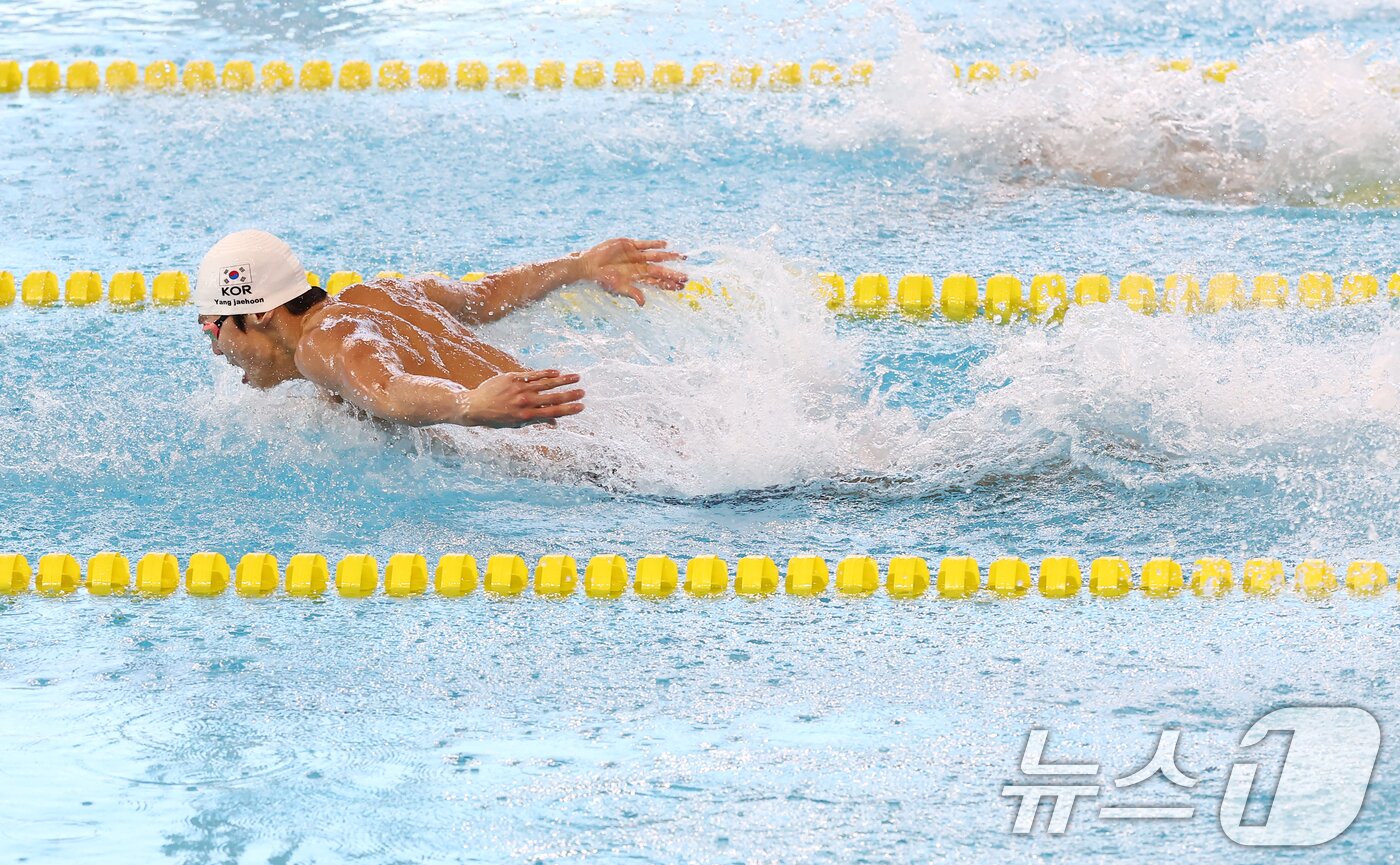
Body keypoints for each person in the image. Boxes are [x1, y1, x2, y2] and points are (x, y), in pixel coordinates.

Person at [193, 230, 687, 428]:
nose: (215, 349)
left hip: (577, 465)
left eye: (213, 327)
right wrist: (578, 264)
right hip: (603, 428)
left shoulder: (322, 344)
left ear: (258, 312)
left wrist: (468, 405)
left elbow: (387, 389)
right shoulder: (382, 294)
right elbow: (488, 294)